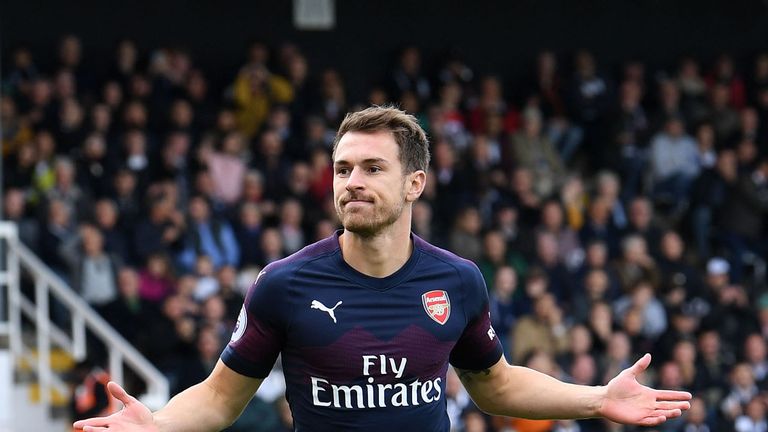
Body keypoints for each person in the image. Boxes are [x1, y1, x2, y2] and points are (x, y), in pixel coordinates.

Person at [74, 106, 690, 432]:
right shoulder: (284, 284)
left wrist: (596, 400)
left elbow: (496, 385)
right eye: (343, 169)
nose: (352, 183)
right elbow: (218, 399)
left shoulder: (458, 281)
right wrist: (155, 426)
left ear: (415, 182)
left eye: (372, 168)